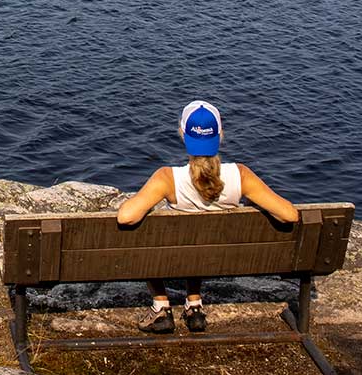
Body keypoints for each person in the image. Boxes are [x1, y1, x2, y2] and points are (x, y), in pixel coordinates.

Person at [114, 100, 299, 334]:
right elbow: (289, 215)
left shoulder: (167, 179)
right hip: (223, 260)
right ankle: (194, 305)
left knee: (147, 233)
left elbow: (125, 217)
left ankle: (161, 305)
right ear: (220, 135)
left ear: (183, 135)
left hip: (173, 258)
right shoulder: (241, 175)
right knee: (201, 240)